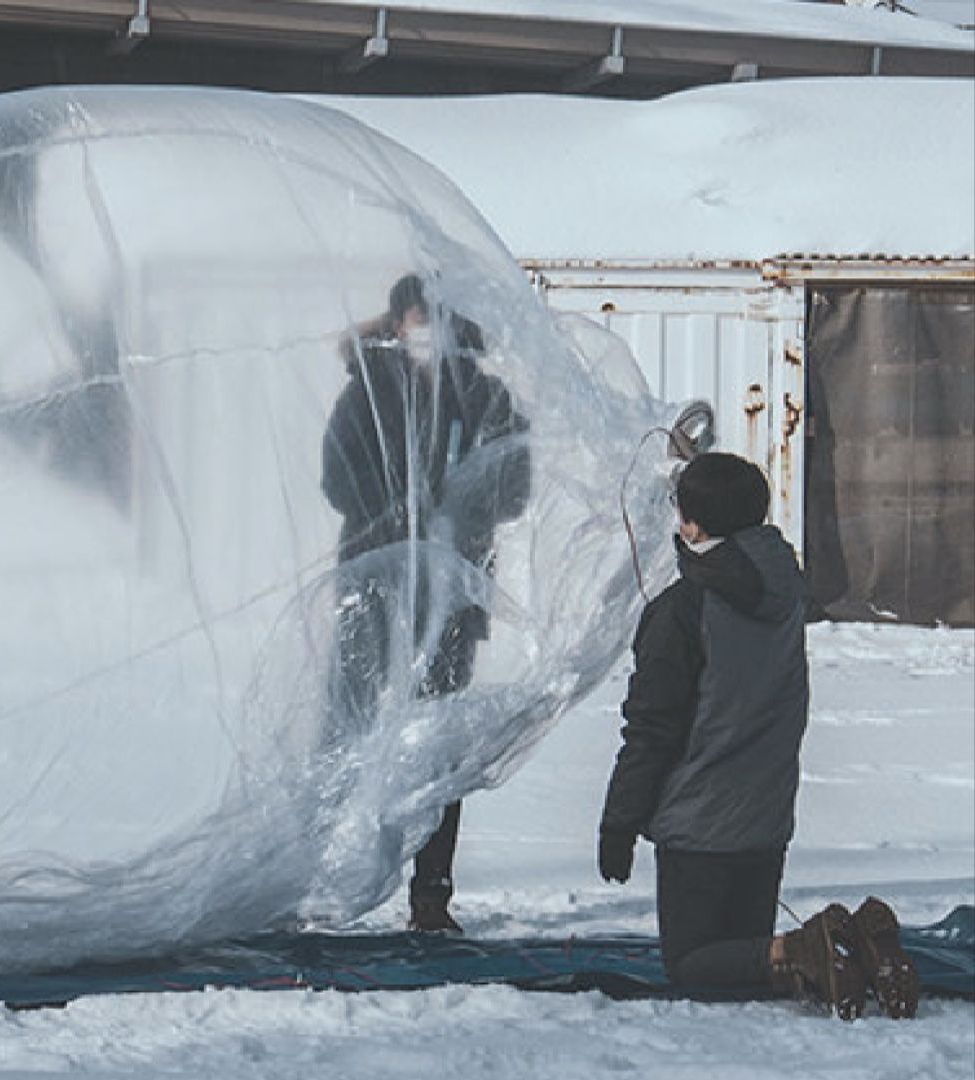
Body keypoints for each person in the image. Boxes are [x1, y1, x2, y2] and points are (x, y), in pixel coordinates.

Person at [599, 452, 919, 1020]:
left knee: (694, 965)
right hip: (766, 821)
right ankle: (860, 945)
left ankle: (808, 944)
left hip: (699, 828)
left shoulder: (684, 609)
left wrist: (620, 821)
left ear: (693, 525)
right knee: (746, 962)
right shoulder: (783, 591)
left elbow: (652, 729)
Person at [321, 273, 532, 933]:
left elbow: (515, 486)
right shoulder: (368, 395)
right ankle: (310, 869)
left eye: (436, 316)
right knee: (342, 727)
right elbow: (336, 478)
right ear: (396, 320)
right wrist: (395, 517)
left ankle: (430, 892)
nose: (424, 328)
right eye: (414, 315)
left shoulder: (486, 398)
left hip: (450, 598)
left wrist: (460, 513)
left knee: (439, 741)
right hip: (374, 587)